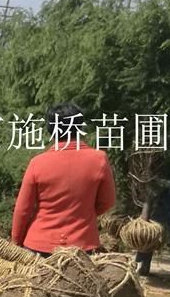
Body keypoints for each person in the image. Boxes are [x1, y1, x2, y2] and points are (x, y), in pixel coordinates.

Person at [10, 103, 116, 254]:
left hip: (38, 246)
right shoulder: (99, 159)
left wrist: (15, 241)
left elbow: (23, 210)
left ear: (51, 130)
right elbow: (107, 202)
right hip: (82, 247)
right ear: (79, 127)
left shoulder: (37, 163)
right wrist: (82, 214)